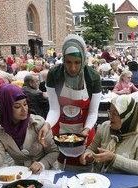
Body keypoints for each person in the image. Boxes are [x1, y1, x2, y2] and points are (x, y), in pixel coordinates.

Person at [39, 34, 101, 168]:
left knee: (85, 169)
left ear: (83, 59)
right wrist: (47, 124)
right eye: (68, 62)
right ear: (63, 60)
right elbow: (54, 109)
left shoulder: (92, 77)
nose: (73, 68)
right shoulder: (54, 75)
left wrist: (87, 129)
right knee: (62, 169)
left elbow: (93, 112)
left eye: (77, 62)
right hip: (60, 130)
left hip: (85, 129)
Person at [0, 84, 58, 172]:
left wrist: (42, 164)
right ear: (6, 108)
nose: (24, 109)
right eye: (17, 106)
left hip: (45, 173)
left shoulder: (37, 123)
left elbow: (54, 151)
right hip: (19, 174)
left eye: (25, 104)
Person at [79, 95, 138, 176]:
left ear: (128, 116)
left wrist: (113, 158)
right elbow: (92, 149)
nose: (110, 117)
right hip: (100, 180)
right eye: (109, 112)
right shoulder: (105, 126)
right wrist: (87, 156)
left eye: (115, 113)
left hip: (128, 184)